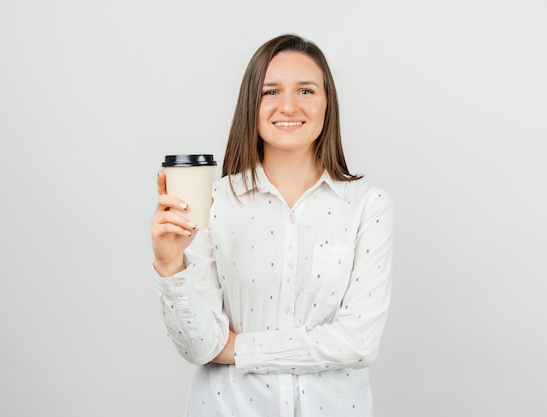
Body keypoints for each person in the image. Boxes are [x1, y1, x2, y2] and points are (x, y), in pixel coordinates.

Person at [151, 33, 394, 417]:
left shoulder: (366, 206)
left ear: (328, 104)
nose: (288, 106)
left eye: (306, 91)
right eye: (270, 92)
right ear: (251, 103)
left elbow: (359, 342)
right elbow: (199, 348)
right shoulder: (212, 205)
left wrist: (237, 349)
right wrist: (170, 266)